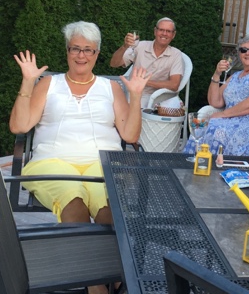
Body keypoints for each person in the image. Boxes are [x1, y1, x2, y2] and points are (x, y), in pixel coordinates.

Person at [9, 21, 150, 294]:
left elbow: (130, 135)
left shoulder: (110, 88)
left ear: (97, 54)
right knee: (74, 201)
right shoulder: (48, 84)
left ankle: (113, 275)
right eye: (75, 48)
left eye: (88, 49)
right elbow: (19, 126)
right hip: (52, 161)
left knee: (108, 209)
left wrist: (135, 96)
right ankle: (97, 285)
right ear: (67, 51)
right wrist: (28, 81)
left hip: (102, 162)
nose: (81, 55)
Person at [183, 35, 249, 156]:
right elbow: (215, 101)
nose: (247, 53)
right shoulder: (235, 76)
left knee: (217, 129)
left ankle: (217, 164)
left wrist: (223, 114)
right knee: (201, 126)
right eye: (243, 50)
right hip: (233, 119)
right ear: (239, 54)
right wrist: (217, 74)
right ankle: (194, 161)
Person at [109, 17, 184, 108]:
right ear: (155, 31)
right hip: (133, 92)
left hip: (157, 98)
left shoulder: (176, 54)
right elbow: (114, 63)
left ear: (173, 35)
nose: (164, 33)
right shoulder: (140, 46)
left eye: (168, 31)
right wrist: (124, 47)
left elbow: (174, 85)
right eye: (161, 30)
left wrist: (144, 82)